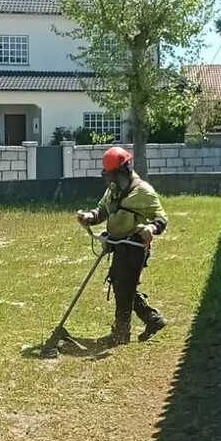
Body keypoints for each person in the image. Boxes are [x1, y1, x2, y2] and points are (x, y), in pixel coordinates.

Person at [76, 146, 168, 345]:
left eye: (115, 176)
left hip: (135, 245)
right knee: (120, 284)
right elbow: (103, 210)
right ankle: (152, 319)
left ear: (125, 170)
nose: (112, 181)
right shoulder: (113, 191)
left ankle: (121, 333)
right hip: (118, 244)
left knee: (124, 286)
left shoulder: (143, 191)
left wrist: (151, 229)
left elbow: (161, 218)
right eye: (109, 177)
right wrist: (90, 217)